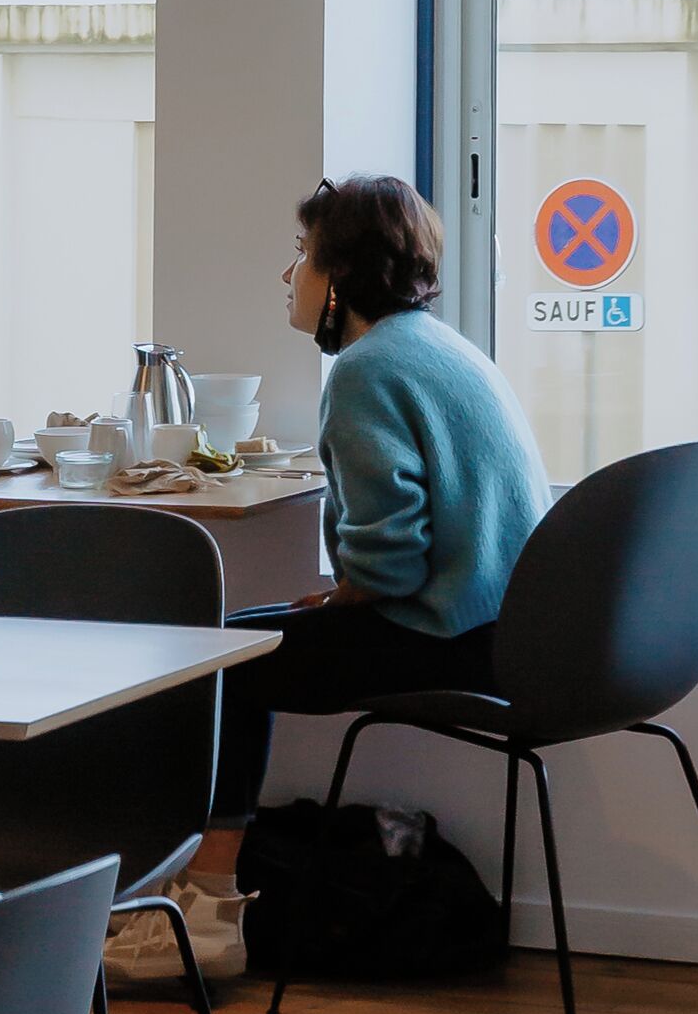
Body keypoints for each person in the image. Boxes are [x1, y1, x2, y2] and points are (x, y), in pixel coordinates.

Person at [210, 175, 552, 823]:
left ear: (337, 272)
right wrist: (345, 598)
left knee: (219, 659)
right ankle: (212, 887)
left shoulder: (365, 370)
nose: (288, 272)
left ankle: (212, 897)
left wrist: (345, 596)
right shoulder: (442, 348)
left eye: (301, 251)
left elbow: (394, 564)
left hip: (450, 636)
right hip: (507, 631)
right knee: (233, 643)